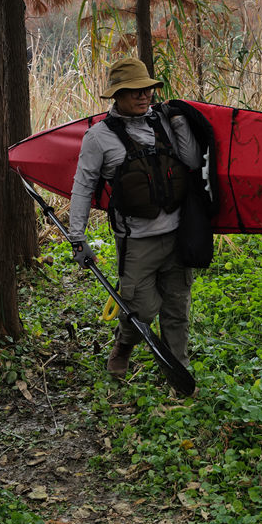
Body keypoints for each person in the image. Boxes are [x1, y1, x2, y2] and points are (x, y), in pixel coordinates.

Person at [67, 57, 203, 379]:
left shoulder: (165, 122)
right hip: (137, 242)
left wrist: (181, 123)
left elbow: (193, 160)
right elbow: (83, 186)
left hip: (177, 235)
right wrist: (77, 238)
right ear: (117, 95)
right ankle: (123, 346)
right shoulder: (98, 137)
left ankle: (177, 373)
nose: (144, 96)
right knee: (141, 308)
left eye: (148, 90)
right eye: (134, 91)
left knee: (176, 308)